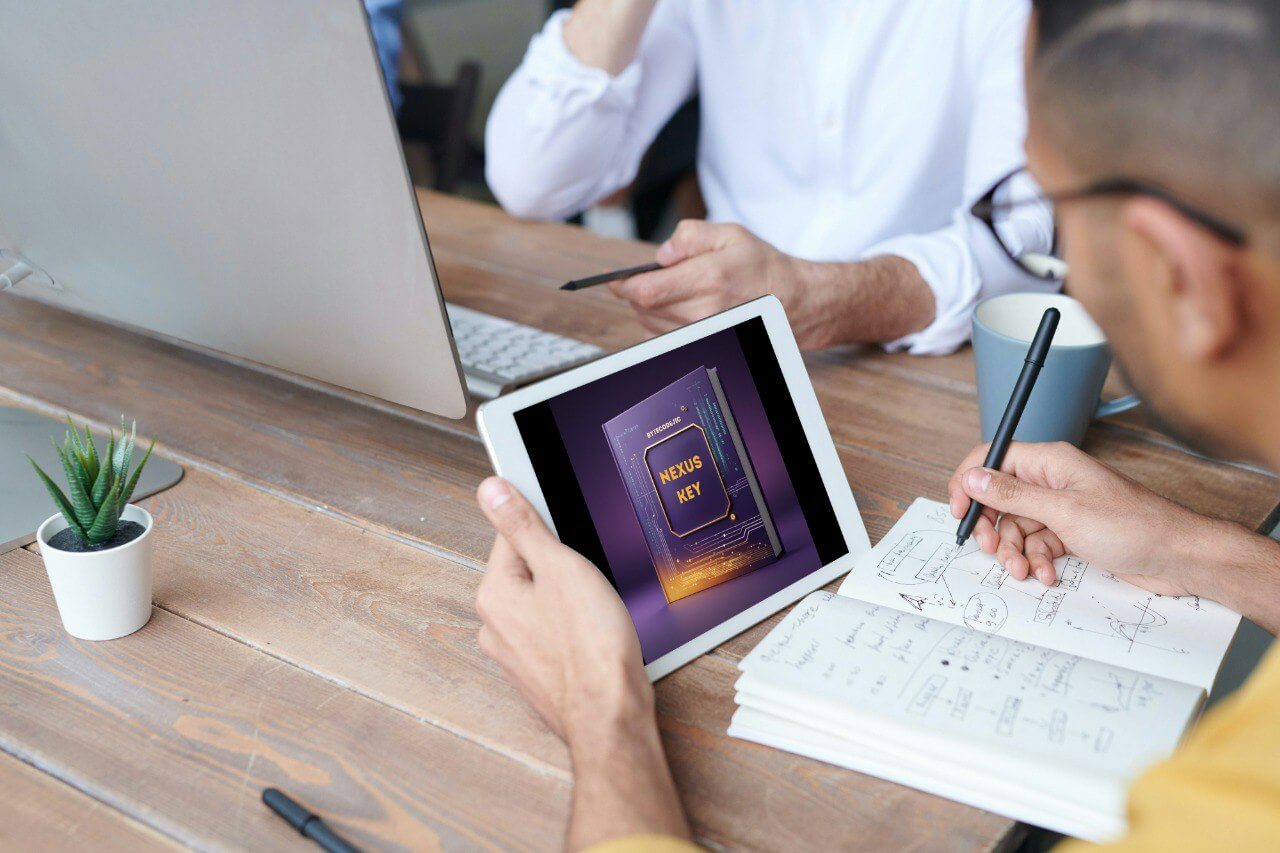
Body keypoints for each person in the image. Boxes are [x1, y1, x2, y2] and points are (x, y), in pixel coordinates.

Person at [473, 0, 1280, 849]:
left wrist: (599, 700)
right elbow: (531, 178)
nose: (1047, 246)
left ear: (1181, 275)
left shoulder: (1220, 806)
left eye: (1046, 213)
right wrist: (1202, 551)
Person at [485, 0, 1053, 353]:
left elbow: (1025, 243)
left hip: (941, 377)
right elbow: (535, 178)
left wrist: (824, 297)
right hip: (724, 355)